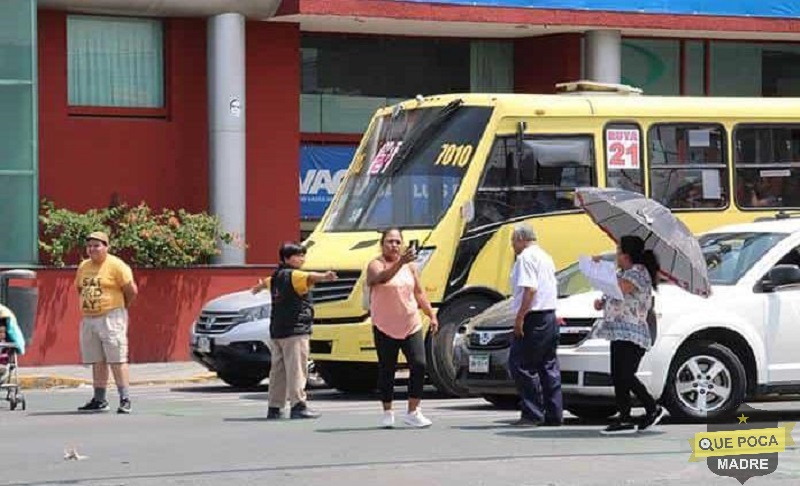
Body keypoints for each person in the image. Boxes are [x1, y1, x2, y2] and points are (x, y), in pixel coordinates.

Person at [252, 242, 337, 420]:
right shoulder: (295, 275)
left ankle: (274, 407)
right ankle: (298, 405)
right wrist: (326, 276)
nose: (302, 258)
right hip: (295, 330)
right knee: (297, 370)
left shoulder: (276, 276)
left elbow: (266, 283)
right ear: (287, 258)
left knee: (278, 371)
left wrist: (258, 288)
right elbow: (310, 277)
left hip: (277, 330)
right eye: (298, 255)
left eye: (303, 255)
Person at [593, 235, 667, 434]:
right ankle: (624, 417)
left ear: (626, 255)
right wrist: (602, 302)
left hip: (633, 332)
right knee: (618, 375)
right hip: (618, 330)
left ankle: (653, 408)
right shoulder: (623, 273)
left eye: (618, 252)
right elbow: (614, 294)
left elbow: (622, 288)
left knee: (626, 374)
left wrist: (602, 270)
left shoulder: (638, 272)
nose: (616, 256)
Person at [367, 228, 438, 428]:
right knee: (387, 368)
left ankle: (413, 411)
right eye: (390, 241)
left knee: (419, 364)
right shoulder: (375, 264)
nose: (394, 245)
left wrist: (431, 314)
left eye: (398, 242)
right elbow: (381, 279)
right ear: (382, 244)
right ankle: (388, 411)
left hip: (410, 323)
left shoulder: (411, 267)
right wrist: (400, 263)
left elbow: (419, 292)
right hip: (384, 324)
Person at [75, 231, 138, 414]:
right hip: (90, 318)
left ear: (106, 247)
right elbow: (80, 288)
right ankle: (99, 399)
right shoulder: (84, 266)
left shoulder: (117, 265)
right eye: (90, 246)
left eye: (97, 245)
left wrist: (121, 306)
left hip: (111, 316)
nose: (92, 249)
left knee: (117, 358)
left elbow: (131, 290)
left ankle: (125, 398)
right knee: (97, 360)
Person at [507, 222, 563, 427]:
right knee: (548, 365)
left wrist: (520, 317)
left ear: (521, 239)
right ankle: (554, 412)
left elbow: (530, 290)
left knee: (520, 364)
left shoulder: (525, 258)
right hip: (549, 316)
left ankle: (532, 412)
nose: (513, 245)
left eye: (513, 241)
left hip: (534, 317)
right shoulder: (545, 256)